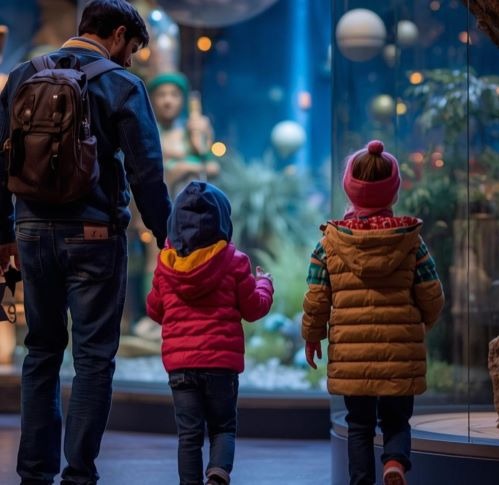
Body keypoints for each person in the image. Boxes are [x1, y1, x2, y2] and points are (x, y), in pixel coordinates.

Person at [0, 1, 172, 483]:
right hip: (95, 236)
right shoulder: (122, 85)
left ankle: (34, 473)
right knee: (94, 359)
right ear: (116, 34)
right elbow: (147, 173)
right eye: (132, 49)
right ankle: (79, 475)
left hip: (31, 234)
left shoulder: (19, 77)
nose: (131, 61)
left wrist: (3, 235)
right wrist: (166, 236)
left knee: (41, 352)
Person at [301, 140, 444, 485]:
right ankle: (394, 462)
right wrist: (425, 320)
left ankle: (361, 480)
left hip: (353, 354)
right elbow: (431, 292)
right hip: (399, 349)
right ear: (394, 192)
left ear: (349, 189)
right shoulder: (411, 240)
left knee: (359, 425)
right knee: (396, 420)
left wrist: (312, 335)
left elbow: (316, 297)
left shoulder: (329, 242)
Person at [146, 181, 274, 485]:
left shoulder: (166, 263)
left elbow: (154, 310)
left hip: (180, 367)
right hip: (221, 367)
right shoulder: (235, 261)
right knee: (223, 428)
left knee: (188, 435)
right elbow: (253, 308)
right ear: (222, 220)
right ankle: (217, 473)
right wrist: (265, 284)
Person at [147, 72, 220, 197]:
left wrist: (185, 167)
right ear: (152, 99)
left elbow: (213, 167)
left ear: (182, 99)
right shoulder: (147, 133)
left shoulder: (189, 132)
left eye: (174, 95)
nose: (167, 101)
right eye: (161, 95)